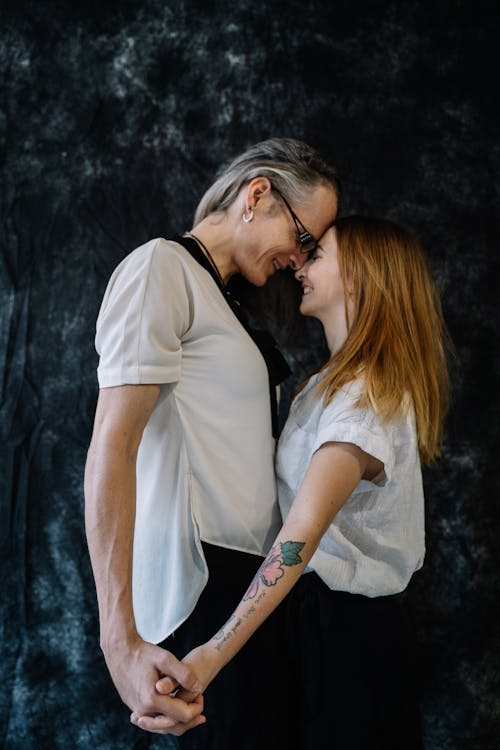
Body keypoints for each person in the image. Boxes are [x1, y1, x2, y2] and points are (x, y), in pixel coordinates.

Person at [141, 215, 451, 749]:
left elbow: (301, 534)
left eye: (319, 256)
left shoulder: (366, 396)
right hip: (311, 625)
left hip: (350, 638)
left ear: (358, 277)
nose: (300, 266)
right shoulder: (325, 386)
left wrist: (214, 652)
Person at [84, 138, 340, 746]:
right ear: (258, 195)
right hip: (203, 582)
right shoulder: (161, 268)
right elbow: (111, 450)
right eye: (304, 239)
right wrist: (118, 639)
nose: (301, 261)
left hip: (250, 596)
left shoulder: (223, 300)